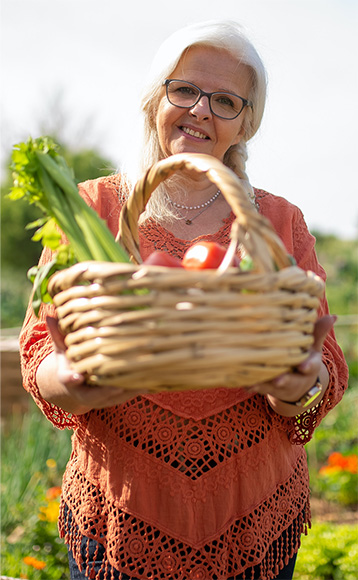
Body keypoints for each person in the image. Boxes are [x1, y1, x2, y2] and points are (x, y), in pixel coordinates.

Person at [19, 20, 348, 580]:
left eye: (225, 100)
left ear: (246, 121)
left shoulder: (279, 221)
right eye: (186, 90)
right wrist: (67, 380)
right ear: (156, 99)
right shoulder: (91, 208)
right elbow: (38, 348)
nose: (201, 110)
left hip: (253, 513)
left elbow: (326, 369)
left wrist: (297, 389)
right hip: (119, 510)